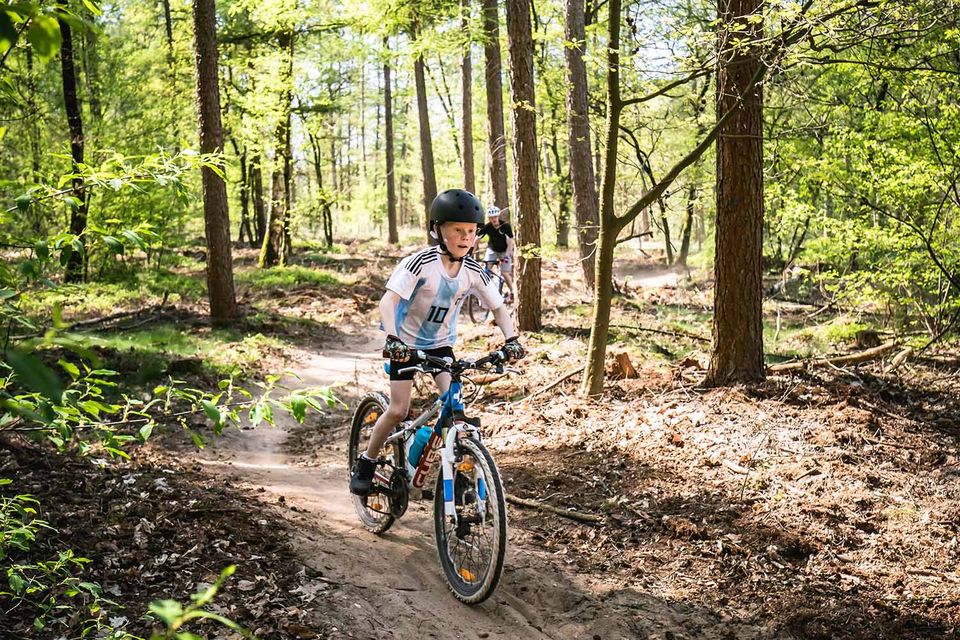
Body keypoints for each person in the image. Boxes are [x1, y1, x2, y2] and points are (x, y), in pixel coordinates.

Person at [349, 189, 525, 496]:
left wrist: (511, 339)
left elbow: (497, 306)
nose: (465, 237)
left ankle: (462, 477)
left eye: (471, 231)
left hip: (440, 346)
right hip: (404, 344)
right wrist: (392, 338)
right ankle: (367, 461)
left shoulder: (473, 271)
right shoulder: (420, 263)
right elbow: (388, 302)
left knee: (455, 410)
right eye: (457, 230)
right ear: (437, 230)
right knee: (399, 410)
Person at [476, 206, 515, 304]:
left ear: (498, 217)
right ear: (489, 218)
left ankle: (513, 292)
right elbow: (477, 239)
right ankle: (489, 289)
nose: (494, 219)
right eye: (491, 217)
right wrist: (469, 251)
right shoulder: (487, 227)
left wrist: (507, 255)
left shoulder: (505, 226)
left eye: (495, 217)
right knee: (486, 270)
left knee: (505, 272)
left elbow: (510, 241)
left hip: (504, 251)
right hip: (492, 250)